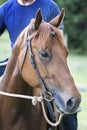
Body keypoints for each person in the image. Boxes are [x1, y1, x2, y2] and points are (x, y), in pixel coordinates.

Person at [0, 0, 77, 130]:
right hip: (14, 64)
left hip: (43, 63)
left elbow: (58, 45)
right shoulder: (6, 8)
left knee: (67, 104)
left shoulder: (50, 7)